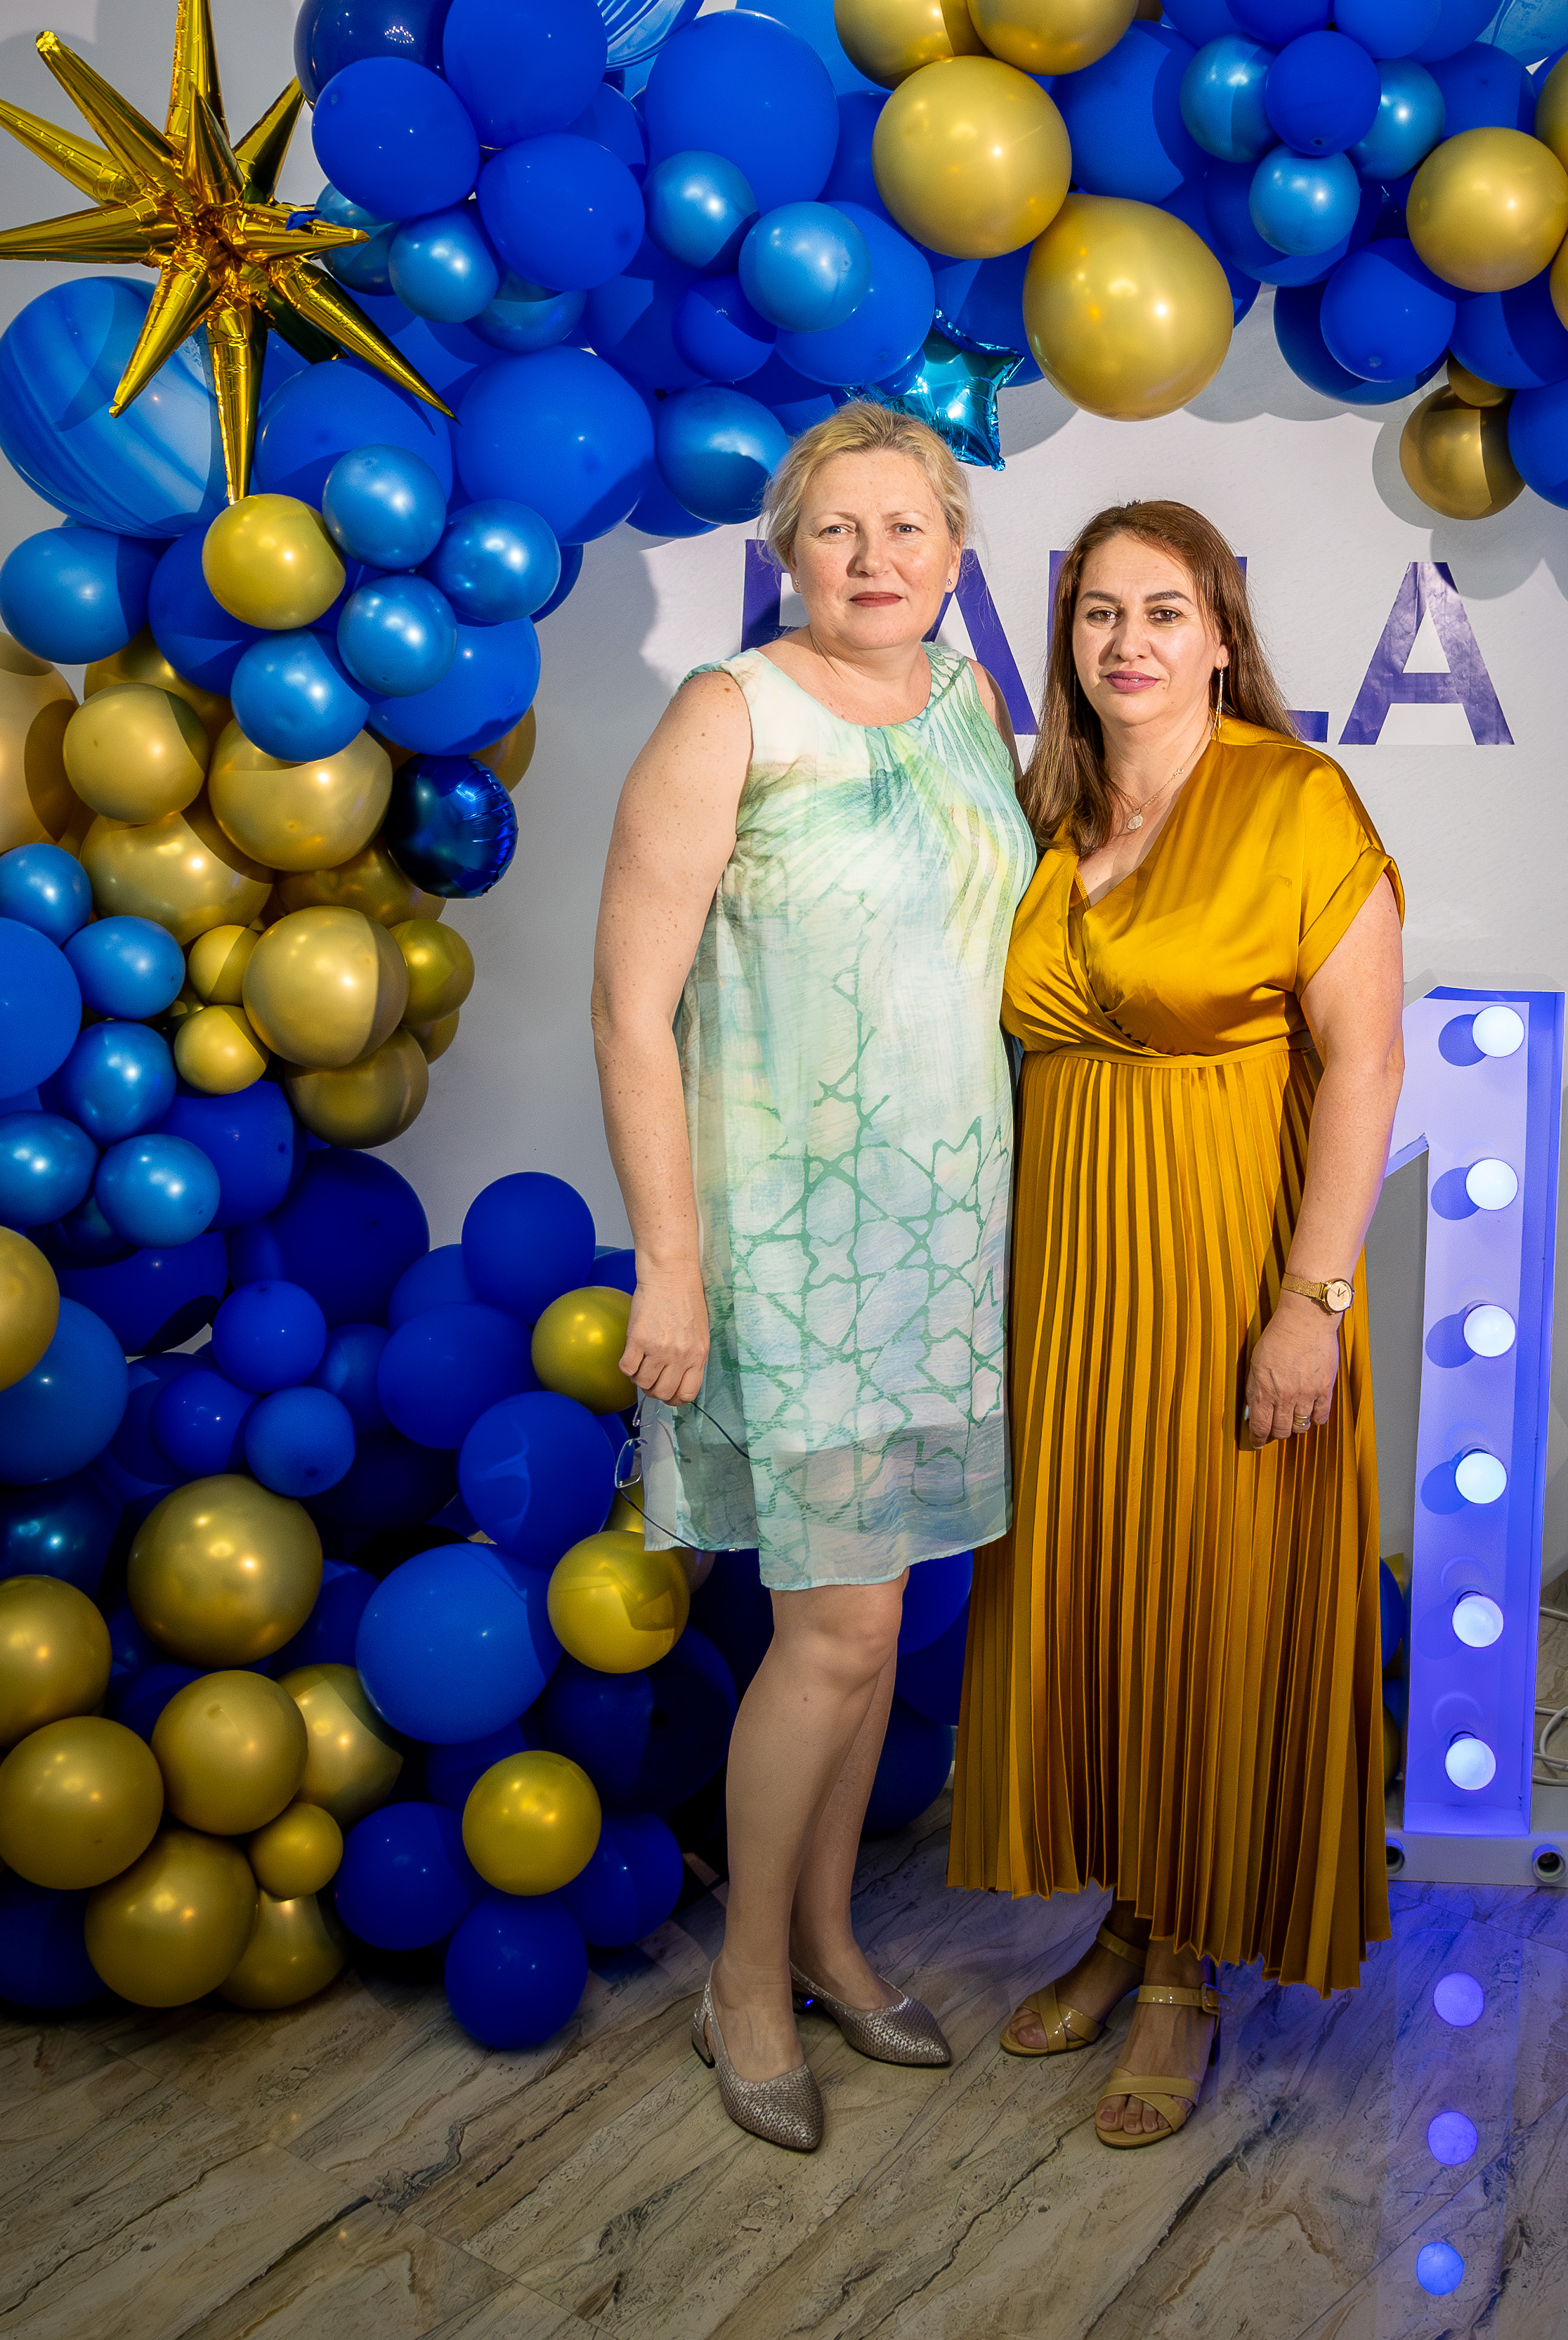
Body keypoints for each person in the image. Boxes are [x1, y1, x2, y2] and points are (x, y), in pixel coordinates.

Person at [590, 402, 1034, 2154]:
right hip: (787, 1248)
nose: (872, 557)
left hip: (944, 1242)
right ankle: (747, 1981)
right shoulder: (730, 713)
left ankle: (835, 1937)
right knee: (835, 1629)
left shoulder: (966, 703)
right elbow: (630, 1012)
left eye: (905, 526)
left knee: (876, 1622)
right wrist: (670, 1265)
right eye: (836, 527)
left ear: (956, 551)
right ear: (787, 548)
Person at [950, 498, 1405, 2148]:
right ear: (1064, 640)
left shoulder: (1295, 796)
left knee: (1212, 1596)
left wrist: (1311, 1302)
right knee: (1097, 1593)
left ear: (1222, 633)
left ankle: (1185, 1969)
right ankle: (1129, 1914)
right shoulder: (1043, 809)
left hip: (1229, 1261)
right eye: (1096, 613)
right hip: (1071, 1273)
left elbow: (1363, 1062)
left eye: (1161, 609)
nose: (1126, 640)